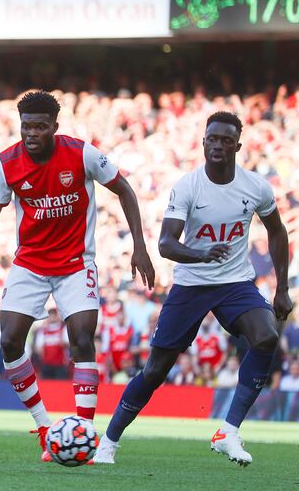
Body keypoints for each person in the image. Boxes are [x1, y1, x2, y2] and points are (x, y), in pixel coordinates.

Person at [0, 90, 155, 462]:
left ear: (54, 127)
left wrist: (139, 246)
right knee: (10, 340)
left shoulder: (82, 154)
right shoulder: (6, 163)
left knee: (81, 337)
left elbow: (124, 190)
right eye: (25, 126)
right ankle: (46, 428)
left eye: (39, 126)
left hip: (76, 263)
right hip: (29, 264)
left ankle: (84, 431)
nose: (31, 133)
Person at [94, 112, 294, 466]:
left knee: (265, 336)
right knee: (156, 370)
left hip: (235, 282)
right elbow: (166, 244)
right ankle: (109, 441)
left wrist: (281, 287)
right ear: (203, 143)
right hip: (192, 285)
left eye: (226, 140)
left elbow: (277, 231)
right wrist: (200, 255)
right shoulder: (188, 186)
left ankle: (228, 432)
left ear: (238, 145)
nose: (218, 145)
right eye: (212, 139)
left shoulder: (256, 186)